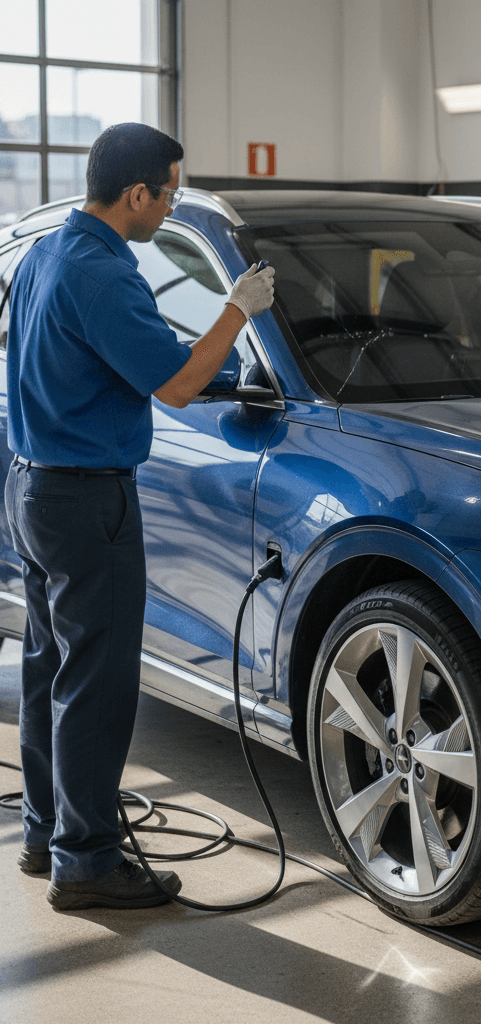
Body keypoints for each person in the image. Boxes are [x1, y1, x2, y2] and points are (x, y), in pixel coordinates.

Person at [5, 122, 275, 911]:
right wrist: (238, 310)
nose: (170, 207)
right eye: (169, 194)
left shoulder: (45, 254)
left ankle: (45, 832)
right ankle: (85, 864)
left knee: (51, 667)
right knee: (97, 684)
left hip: (33, 491)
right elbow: (181, 386)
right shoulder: (103, 275)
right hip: (88, 502)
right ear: (138, 194)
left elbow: (125, 354)